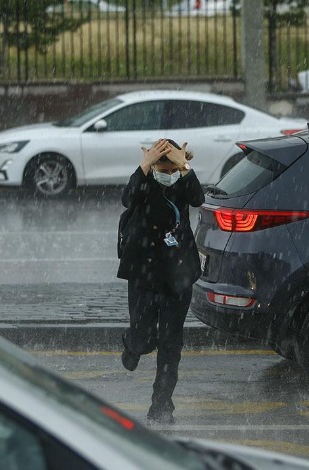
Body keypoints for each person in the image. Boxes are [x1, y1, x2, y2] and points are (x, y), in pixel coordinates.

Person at [116, 138, 205, 425]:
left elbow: (198, 198)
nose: (165, 170)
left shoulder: (183, 180)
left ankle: (162, 404)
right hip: (143, 270)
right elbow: (128, 198)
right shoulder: (144, 181)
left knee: (170, 343)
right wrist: (144, 165)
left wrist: (184, 166)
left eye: (170, 165)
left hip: (177, 273)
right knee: (144, 338)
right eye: (160, 164)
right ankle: (133, 343)